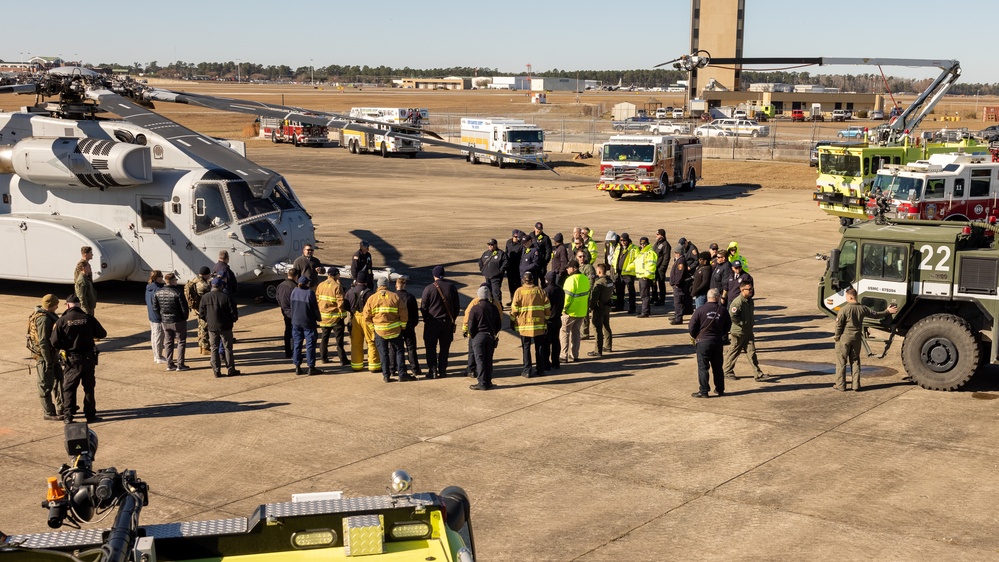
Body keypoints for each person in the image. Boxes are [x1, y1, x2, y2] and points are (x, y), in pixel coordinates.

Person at [51, 293, 107, 423]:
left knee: (69, 388)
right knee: (88, 388)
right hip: (88, 359)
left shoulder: (62, 321)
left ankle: (68, 417)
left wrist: (66, 345)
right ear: (79, 305)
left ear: (68, 305)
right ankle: (91, 415)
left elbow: (54, 341)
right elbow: (102, 333)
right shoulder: (88, 318)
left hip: (72, 360)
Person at [834, 287, 898, 391]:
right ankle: (856, 385)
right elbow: (876, 315)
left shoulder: (844, 309)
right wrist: (887, 311)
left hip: (844, 339)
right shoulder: (863, 308)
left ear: (850, 297)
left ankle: (840, 385)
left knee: (841, 361)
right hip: (857, 338)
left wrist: (837, 337)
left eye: (846, 297)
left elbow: (839, 325)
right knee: (855, 361)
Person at [364, 276, 411, 383]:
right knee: (399, 352)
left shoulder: (372, 298)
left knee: (383, 354)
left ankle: (386, 376)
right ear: (387, 285)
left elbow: (366, 316)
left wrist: (373, 328)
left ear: (378, 286)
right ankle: (401, 373)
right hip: (395, 330)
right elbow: (404, 314)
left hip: (379, 332)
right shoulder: (395, 297)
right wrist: (402, 326)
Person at [723, 281, 770, 382]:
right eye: (748, 289)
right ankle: (727, 372)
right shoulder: (737, 302)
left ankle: (758, 373)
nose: (751, 291)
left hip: (748, 332)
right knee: (734, 352)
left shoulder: (750, 300)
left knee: (752, 352)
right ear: (742, 290)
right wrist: (742, 324)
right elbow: (732, 316)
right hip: (738, 332)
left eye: (751, 289)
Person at [689, 288, 731, 398]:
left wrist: (696, 336)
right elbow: (728, 326)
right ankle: (720, 389)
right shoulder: (723, 311)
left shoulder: (700, 310)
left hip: (703, 342)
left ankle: (704, 391)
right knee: (718, 367)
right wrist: (720, 334)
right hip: (717, 342)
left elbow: (691, 326)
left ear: (708, 297)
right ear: (717, 298)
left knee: (703, 367)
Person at [421, 265, 459, 378]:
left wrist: (426, 319)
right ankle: (442, 370)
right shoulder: (451, 287)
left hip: (432, 322)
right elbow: (456, 306)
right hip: (447, 322)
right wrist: (453, 318)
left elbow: (423, 307)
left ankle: (432, 370)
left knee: (430, 347)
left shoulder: (429, 288)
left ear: (434, 275)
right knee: (445, 347)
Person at [28, 294, 63, 420]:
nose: (57, 306)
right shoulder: (44, 319)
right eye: (55, 304)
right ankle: (48, 413)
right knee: (45, 385)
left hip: (53, 356)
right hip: (45, 358)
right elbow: (43, 342)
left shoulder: (48, 315)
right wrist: (48, 361)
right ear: (50, 305)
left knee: (59, 381)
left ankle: (61, 408)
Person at [511, 271, 550, 377]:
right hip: (539, 325)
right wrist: (545, 319)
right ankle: (540, 370)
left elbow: (515, 309)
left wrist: (512, 319)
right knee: (540, 348)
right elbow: (547, 307)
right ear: (533, 280)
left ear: (523, 280)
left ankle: (527, 370)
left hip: (524, 326)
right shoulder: (539, 291)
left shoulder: (519, 291)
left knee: (526, 347)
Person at [200, 277, 240, 377]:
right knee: (228, 348)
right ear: (221, 286)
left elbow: (201, 313)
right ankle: (231, 369)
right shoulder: (226, 297)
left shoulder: (205, 297)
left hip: (212, 327)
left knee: (214, 348)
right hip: (225, 326)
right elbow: (233, 313)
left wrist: (208, 320)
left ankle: (216, 370)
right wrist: (232, 320)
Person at [463, 282, 502, 377]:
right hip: (490, 334)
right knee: (488, 356)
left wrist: (468, 331)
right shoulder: (495, 304)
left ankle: (471, 370)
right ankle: (487, 374)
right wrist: (495, 333)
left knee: (473, 352)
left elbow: (468, 317)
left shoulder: (475, 302)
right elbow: (499, 319)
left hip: (477, 334)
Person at [153, 273, 190, 371]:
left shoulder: (158, 293)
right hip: (178, 320)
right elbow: (184, 308)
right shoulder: (178, 292)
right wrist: (184, 318)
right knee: (181, 341)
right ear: (173, 281)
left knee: (168, 342)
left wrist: (162, 317)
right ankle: (180, 364)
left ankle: (169, 364)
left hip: (165, 321)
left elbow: (155, 308)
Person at [344, 271, 379, 373]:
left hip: (355, 318)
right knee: (371, 342)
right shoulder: (369, 293)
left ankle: (356, 365)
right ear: (366, 281)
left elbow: (345, 305)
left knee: (356, 343)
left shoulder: (349, 292)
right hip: (367, 319)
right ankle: (374, 366)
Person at [290, 276, 323, 376]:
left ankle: (297, 366)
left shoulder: (294, 291)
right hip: (308, 322)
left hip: (296, 321)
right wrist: (318, 318)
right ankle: (311, 367)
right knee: (310, 344)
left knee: (297, 344)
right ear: (306, 284)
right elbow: (315, 308)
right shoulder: (309, 293)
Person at [316, 268, 349, 366]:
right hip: (335, 318)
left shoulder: (320, 285)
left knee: (324, 338)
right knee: (339, 340)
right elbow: (340, 302)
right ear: (336, 275)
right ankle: (342, 359)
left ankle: (323, 357)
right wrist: (342, 314)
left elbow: (317, 299)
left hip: (324, 317)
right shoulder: (337, 286)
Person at [561, 260, 590, 362]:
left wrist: (564, 309)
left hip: (570, 311)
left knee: (565, 332)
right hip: (581, 311)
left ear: (573, 268)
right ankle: (575, 355)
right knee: (576, 333)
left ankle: (563, 355)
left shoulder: (570, 280)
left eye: (568, 268)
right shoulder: (585, 278)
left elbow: (567, 297)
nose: (567, 269)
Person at [395, 277, 422, 378]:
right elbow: (415, 314)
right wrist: (413, 324)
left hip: (396, 326)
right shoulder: (410, 297)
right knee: (411, 348)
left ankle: (393, 368)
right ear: (405, 285)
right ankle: (415, 369)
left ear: (396, 285)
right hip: (409, 326)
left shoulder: (393, 297)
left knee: (396, 349)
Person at [185, 266, 212, 356]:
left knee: (201, 326)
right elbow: (209, 293)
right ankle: (205, 348)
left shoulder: (195, 279)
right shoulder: (203, 285)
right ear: (206, 274)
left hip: (197, 308)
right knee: (204, 327)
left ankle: (201, 346)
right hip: (203, 309)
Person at [587, 263, 614, 357]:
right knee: (606, 326)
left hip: (599, 308)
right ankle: (608, 346)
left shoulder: (598, 283)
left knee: (597, 328)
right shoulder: (610, 281)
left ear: (599, 271)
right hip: (607, 306)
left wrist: (591, 306)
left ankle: (597, 350)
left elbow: (594, 297)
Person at [275, 268, 300, 359]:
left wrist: (282, 307)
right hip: (293, 312)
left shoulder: (280, 285)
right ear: (296, 276)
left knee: (287, 331)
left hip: (285, 311)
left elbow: (277, 297)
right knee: (295, 333)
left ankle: (288, 351)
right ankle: (294, 352)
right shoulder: (294, 286)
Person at [543, 271, 564, 371]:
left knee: (546, 343)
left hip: (548, 321)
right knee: (556, 341)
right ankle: (556, 362)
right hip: (557, 319)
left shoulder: (546, 291)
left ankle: (546, 363)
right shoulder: (560, 290)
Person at [479, 238, 508, 307]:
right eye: (489, 245)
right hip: (487, 276)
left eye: (492, 245)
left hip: (496, 277)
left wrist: (500, 272)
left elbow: (505, 263)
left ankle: (498, 306)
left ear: (495, 245)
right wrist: (482, 270)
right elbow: (480, 261)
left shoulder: (501, 253)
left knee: (496, 292)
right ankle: (491, 304)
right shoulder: (486, 253)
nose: (490, 246)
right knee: (489, 291)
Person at [575, 249, 597, 339]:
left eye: (584, 256)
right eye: (580, 256)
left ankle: (585, 332)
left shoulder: (588, 267)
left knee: (584, 314)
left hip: (585, 294)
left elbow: (591, 282)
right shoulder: (577, 267)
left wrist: (588, 294)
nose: (582, 258)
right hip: (577, 294)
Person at [145, 270, 166, 363]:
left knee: (154, 335)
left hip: (152, 315)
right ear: (157, 278)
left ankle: (156, 355)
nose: (162, 278)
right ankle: (159, 357)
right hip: (158, 316)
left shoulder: (149, 287)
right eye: (161, 276)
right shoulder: (157, 289)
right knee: (159, 336)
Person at [616, 233, 638, 314]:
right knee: (620, 291)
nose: (623, 242)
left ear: (628, 240)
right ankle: (619, 306)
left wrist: (628, 267)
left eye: (624, 240)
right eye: (621, 240)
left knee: (631, 291)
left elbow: (637, 260)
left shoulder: (634, 248)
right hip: (620, 272)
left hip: (628, 273)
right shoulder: (619, 247)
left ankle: (632, 308)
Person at [635, 236, 657, 317]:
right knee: (643, 295)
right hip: (641, 276)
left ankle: (645, 312)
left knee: (645, 295)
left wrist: (646, 276)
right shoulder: (642, 252)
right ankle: (645, 310)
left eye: (644, 243)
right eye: (641, 243)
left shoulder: (650, 253)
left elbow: (651, 265)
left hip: (645, 277)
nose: (642, 245)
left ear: (647, 243)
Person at [669, 249, 691, 325]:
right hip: (677, 285)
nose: (675, 254)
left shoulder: (681, 261)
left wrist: (676, 283)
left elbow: (680, 274)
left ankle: (679, 318)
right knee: (676, 302)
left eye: (676, 252)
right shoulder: (678, 260)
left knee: (678, 302)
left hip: (679, 286)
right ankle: (677, 315)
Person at [74, 246, 97, 316]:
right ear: (85, 254)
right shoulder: (81, 265)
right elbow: (79, 284)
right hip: (85, 298)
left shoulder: (86, 264)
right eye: (90, 253)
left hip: (89, 298)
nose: (92, 254)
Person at [652, 229, 672, 306]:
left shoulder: (665, 245)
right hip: (654, 267)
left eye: (657, 234)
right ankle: (654, 298)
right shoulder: (657, 243)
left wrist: (663, 267)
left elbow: (666, 257)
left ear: (662, 235)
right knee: (653, 283)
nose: (656, 236)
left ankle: (662, 299)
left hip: (660, 268)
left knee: (661, 283)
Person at [504, 230, 524, 305]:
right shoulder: (508, 242)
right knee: (511, 284)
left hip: (517, 267)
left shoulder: (521, 244)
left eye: (517, 237)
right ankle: (512, 299)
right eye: (515, 237)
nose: (517, 238)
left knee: (518, 285)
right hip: (510, 267)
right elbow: (506, 252)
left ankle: (518, 300)